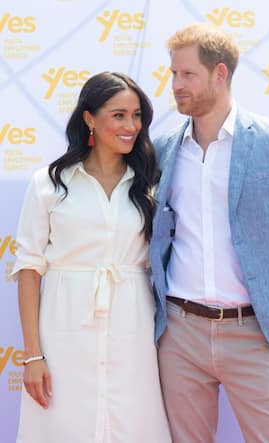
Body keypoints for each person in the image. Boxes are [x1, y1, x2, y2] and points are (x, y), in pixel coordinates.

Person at [150, 23, 269, 443]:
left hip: (251, 330)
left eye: (187, 74)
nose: (176, 85)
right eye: (173, 74)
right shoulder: (163, 149)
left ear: (220, 73)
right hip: (180, 333)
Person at [12, 71, 171, 443]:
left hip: (134, 327)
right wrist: (33, 355)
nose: (131, 125)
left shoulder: (151, 183)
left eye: (137, 115)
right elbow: (30, 270)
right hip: (63, 327)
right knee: (63, 424)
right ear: (89, 119)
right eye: (118, 115)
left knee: (134, 424)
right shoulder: (49, 184)